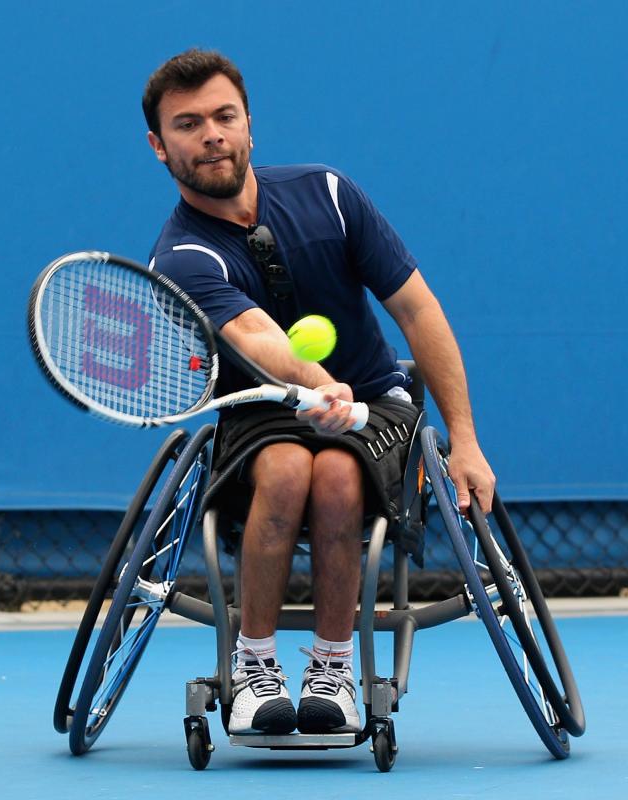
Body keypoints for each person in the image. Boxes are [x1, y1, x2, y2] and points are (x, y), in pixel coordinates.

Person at [143, 49, 495, 735]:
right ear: (159, 147)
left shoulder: (329, 194)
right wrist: (313, 383)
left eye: (224, 116)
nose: (211, 134)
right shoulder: (181, 256)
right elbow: (255, 337)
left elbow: (419, 313)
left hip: (377, 406)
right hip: (259, 415)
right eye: (188, 124)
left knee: (336, 475)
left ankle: (333, 670)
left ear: (250, 127)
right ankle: (253, 665)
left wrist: (468, 442)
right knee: (285, 469)